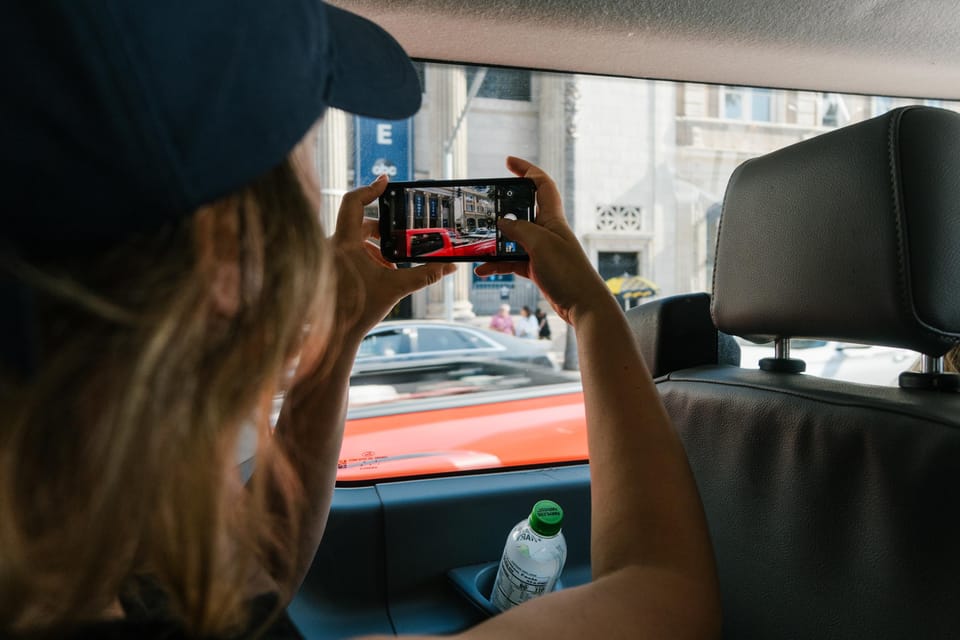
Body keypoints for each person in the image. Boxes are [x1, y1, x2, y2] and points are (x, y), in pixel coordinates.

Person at [0, 3, 720, 640]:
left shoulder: (87, 562)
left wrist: (341, 333)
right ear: (226, 249)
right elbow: (664, 591)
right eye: (301, 138)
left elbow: (257, 576)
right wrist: (589, 308)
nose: (313, 174)